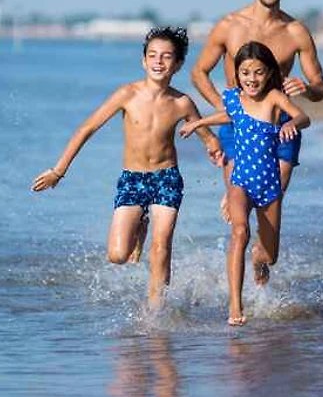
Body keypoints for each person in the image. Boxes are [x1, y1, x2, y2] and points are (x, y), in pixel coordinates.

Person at [31, 27, 224, 308]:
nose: (158, 61)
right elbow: (87, 128)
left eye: (166, 56)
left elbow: (208, 138)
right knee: (118, 255)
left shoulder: (182, 103)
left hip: (167, 178)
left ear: (178, 64)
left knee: (161, 247)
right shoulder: (127, 94)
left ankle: (155, 312)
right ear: (143, 61)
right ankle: (140, 223)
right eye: (153, 55)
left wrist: (219, 156)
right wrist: (58, 171)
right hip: (132, 180)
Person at [181, 41, 311, 326]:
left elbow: (304, 117)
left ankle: (258, 259)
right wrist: (198, 123)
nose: (252, 79)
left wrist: (292, 123)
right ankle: (235, 305)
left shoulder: (274, 97)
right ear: (237, 74)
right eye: (245, 73)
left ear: (269, 73)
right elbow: (230, 116)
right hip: (240, 181)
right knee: (240, 232)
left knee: (270, 256)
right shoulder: (233, 97)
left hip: (269, 184)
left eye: (258, 72)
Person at [191, 0, 323, 219]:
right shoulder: (230, 26)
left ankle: (263, 247)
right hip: (238, 127)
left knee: (268, 214)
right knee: (239, 219)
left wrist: (308, 89)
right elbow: (199, 73)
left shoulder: (296, 31)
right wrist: (225, 108)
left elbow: (321, 87)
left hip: (280, 127)